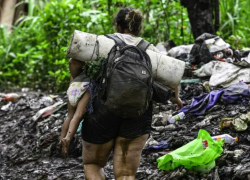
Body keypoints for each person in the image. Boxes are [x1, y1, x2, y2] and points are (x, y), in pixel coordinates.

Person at [68, 7, 183, 180]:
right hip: (138, 114)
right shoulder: (151, 50)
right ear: (139, 28)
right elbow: (173, 81)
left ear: (118, 26)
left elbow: (75, 62)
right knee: (126, 174)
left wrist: (79, 79)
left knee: (93, 164)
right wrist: (177, 99)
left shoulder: (103, 42)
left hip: (102, 112)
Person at [59, 71, 90, 157]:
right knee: (77, 116)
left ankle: (61, 140)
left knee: (69, 116)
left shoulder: (78, 65)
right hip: (86, 87)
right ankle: (67, 139)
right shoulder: (93, 67)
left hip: (73, 87)